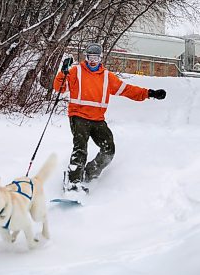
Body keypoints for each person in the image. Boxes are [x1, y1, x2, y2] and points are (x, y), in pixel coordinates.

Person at [53, 42, 166, 195]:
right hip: (78, 116)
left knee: (109, 149)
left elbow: (127, 90)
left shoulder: (107, 77)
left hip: (98, 119)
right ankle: (73, 182)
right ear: (86, 57)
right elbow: (59, 88)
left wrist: (150, 93)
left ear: (101, 58)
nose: (93, 61)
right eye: (90, 57)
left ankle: (89, 174)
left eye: (96, 57)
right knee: (80, 148)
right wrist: (63, 72)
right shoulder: (76, 71)